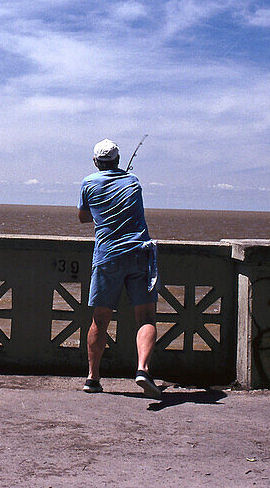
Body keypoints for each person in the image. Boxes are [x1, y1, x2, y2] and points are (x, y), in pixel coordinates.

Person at [77, 138, 162, 399]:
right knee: (145, 317)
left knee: (100, 320)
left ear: (95, 162)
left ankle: (93, 377)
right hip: (138, 254)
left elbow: (83, 217)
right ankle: (142, 369)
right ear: (118, 160)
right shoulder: (133, 182)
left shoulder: (88, 183)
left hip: (107, 256)